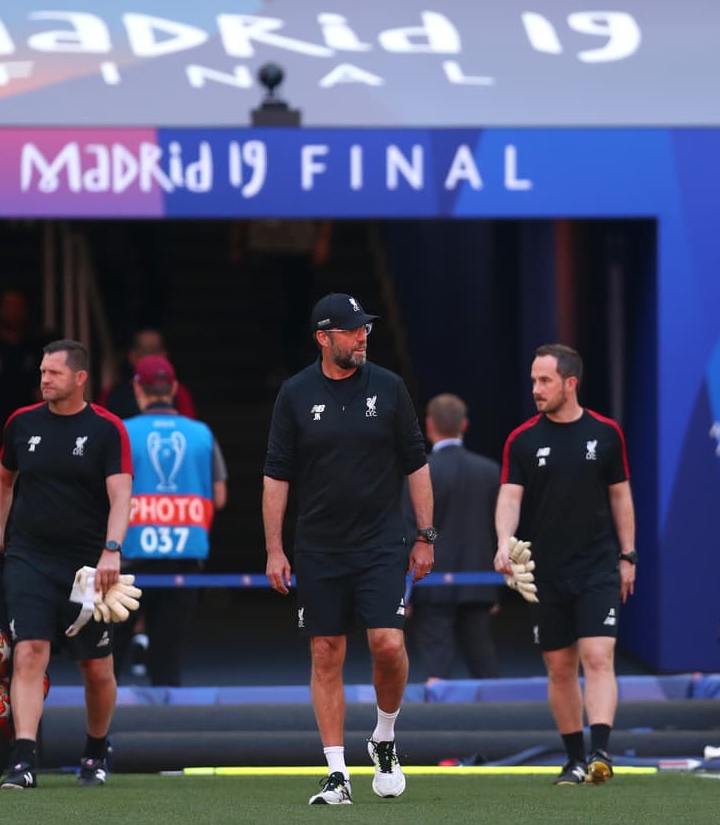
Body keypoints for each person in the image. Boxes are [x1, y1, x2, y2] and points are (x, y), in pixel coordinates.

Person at [263, 293, 434, 805]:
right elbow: (276, 475)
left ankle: (384, 735)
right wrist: (274, 548)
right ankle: (337, 772)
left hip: (382, 542)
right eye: (352, 329)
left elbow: (417, 465)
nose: (363, 336)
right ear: (323, 337)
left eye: (366, 329)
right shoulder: (294, 394)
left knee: (387, 644)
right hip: (318, 546)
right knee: (325, 651)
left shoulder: (389, 386)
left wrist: (425, 535)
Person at [0, 339, 133, 790]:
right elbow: (2, 482)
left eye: (54, 373)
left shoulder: (108, 429)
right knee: (29, 653)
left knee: (97, 668)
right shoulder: (21, 423)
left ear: (80, 378)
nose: (44, 379)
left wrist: (112, 548)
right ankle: (24, 758)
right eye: (43, 372)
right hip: (28, 558)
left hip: (89, 567)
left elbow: (121, 493)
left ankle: (96, 749)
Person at [493, 343, 636, 786]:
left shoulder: (606, 433)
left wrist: (628, 554)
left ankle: (601, 752)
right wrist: (503, 543)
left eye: (545, 380)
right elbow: (509, 497)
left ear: (570, 383)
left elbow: (621, 496)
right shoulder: (522, 439)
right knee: (559, 666)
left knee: (597, 656)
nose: (536, 388)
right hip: (544, 570)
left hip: (597, 566)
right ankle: (573, 758)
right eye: (534, 380)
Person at [117, 354, 227, 686]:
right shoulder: (201, 434)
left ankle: (100, 733)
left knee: (110, 656)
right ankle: (166, 732)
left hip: (131, 555)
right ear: (174, 389)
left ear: (138, 389)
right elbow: (219, 498)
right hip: (186, 555)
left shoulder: (122, 431)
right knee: (168, 657)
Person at [403, 393, 501, 681]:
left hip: (430, 583)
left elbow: (409, 531)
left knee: (437, 669)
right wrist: (495, 584)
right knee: (484, 664)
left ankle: (440, 725)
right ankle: (501, 723)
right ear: (465, 425)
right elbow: (500, 530)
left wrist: (405, 589)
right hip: (479, 581)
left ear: (429, 425)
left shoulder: (420, 474)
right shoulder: (490, 471)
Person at [0, 289, 59, 464]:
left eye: (18, 306)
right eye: (9, 306)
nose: (14, 311)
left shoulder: (39, 351)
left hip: (32, 432)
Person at [97, 328, 196, 420]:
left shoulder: (110, 394)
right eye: (146, 352)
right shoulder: (110, 394)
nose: (151, 361)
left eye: (155, 352)